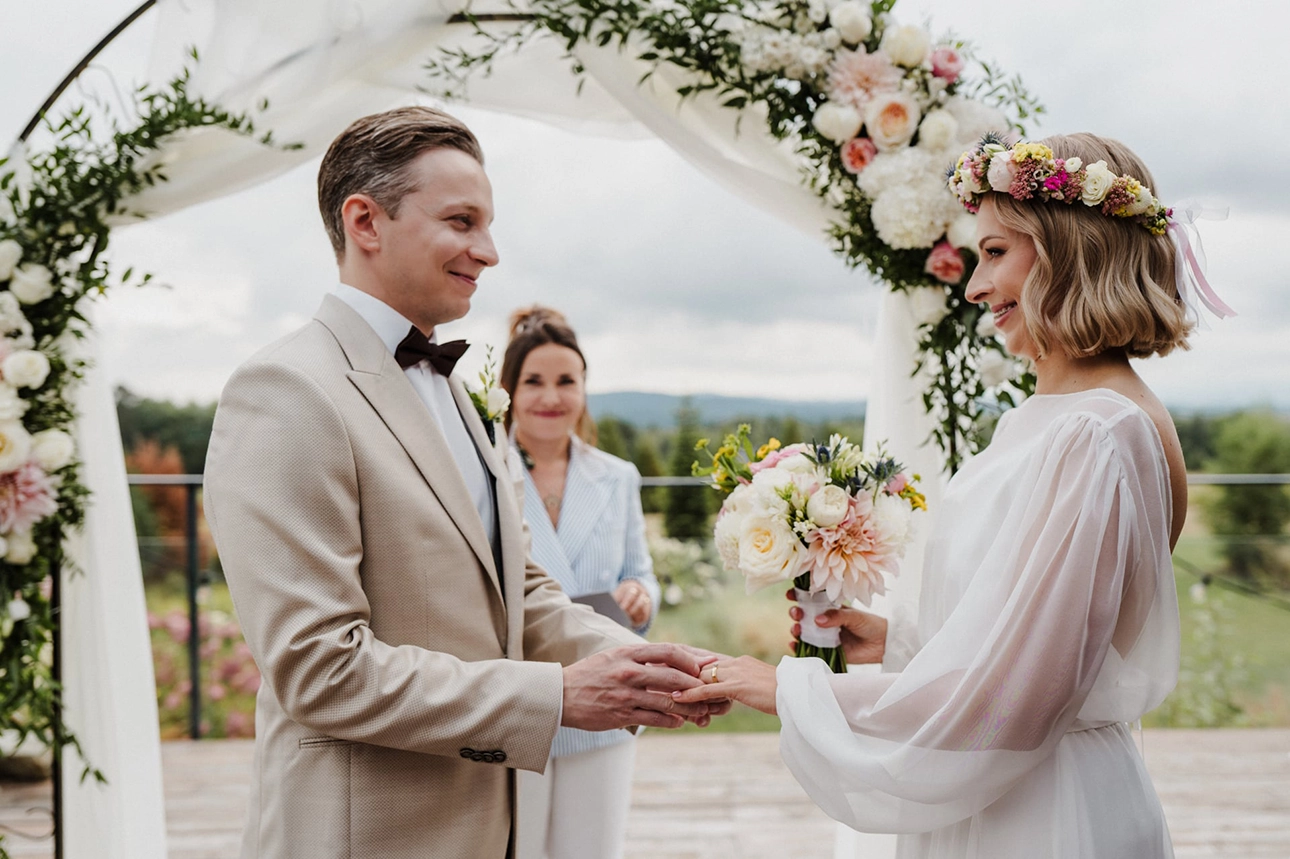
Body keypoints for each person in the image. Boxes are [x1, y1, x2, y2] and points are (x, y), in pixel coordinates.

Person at [676, 133, 1223, 858]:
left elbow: (1022, 694)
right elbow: (1040, 639)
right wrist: (901, 642)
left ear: (1072, 250)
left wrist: (789, 690)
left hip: (1043, 815)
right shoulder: (1056, 418)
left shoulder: (1099, 431)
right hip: (1011, 793)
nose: (973, 287)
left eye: (995, 252)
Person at [203, 106, 725, 859]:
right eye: (461, 221)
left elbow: (521, 589)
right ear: (365, 221)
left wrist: (660, 667)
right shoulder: (288, 391)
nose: (490, 251)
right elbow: (319, 668)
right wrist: (557, 696)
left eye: (488, 225)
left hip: (490, 827)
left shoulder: (454, 391)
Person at [500, 306, 662, 859]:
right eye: (534, 381)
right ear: (509, 390)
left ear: (584, 388)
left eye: (566, 381)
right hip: (520, 698)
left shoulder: (617, 476)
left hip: (606, 704)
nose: (551, 397)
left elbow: (639, 570)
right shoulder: (483, 474)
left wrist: (641, 598)